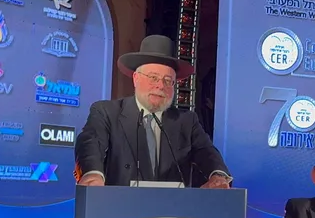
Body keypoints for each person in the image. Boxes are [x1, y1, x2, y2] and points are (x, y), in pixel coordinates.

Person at [74, 35, 231, 188]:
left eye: (168, 81)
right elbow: (91, 143)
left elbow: (206, 152)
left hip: (173, 205)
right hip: (120, 204)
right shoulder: (107, 112)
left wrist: (218, 175)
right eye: (153, 78)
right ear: (136, 78)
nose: (160, 86)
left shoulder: (187, 121)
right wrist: (92, 174)